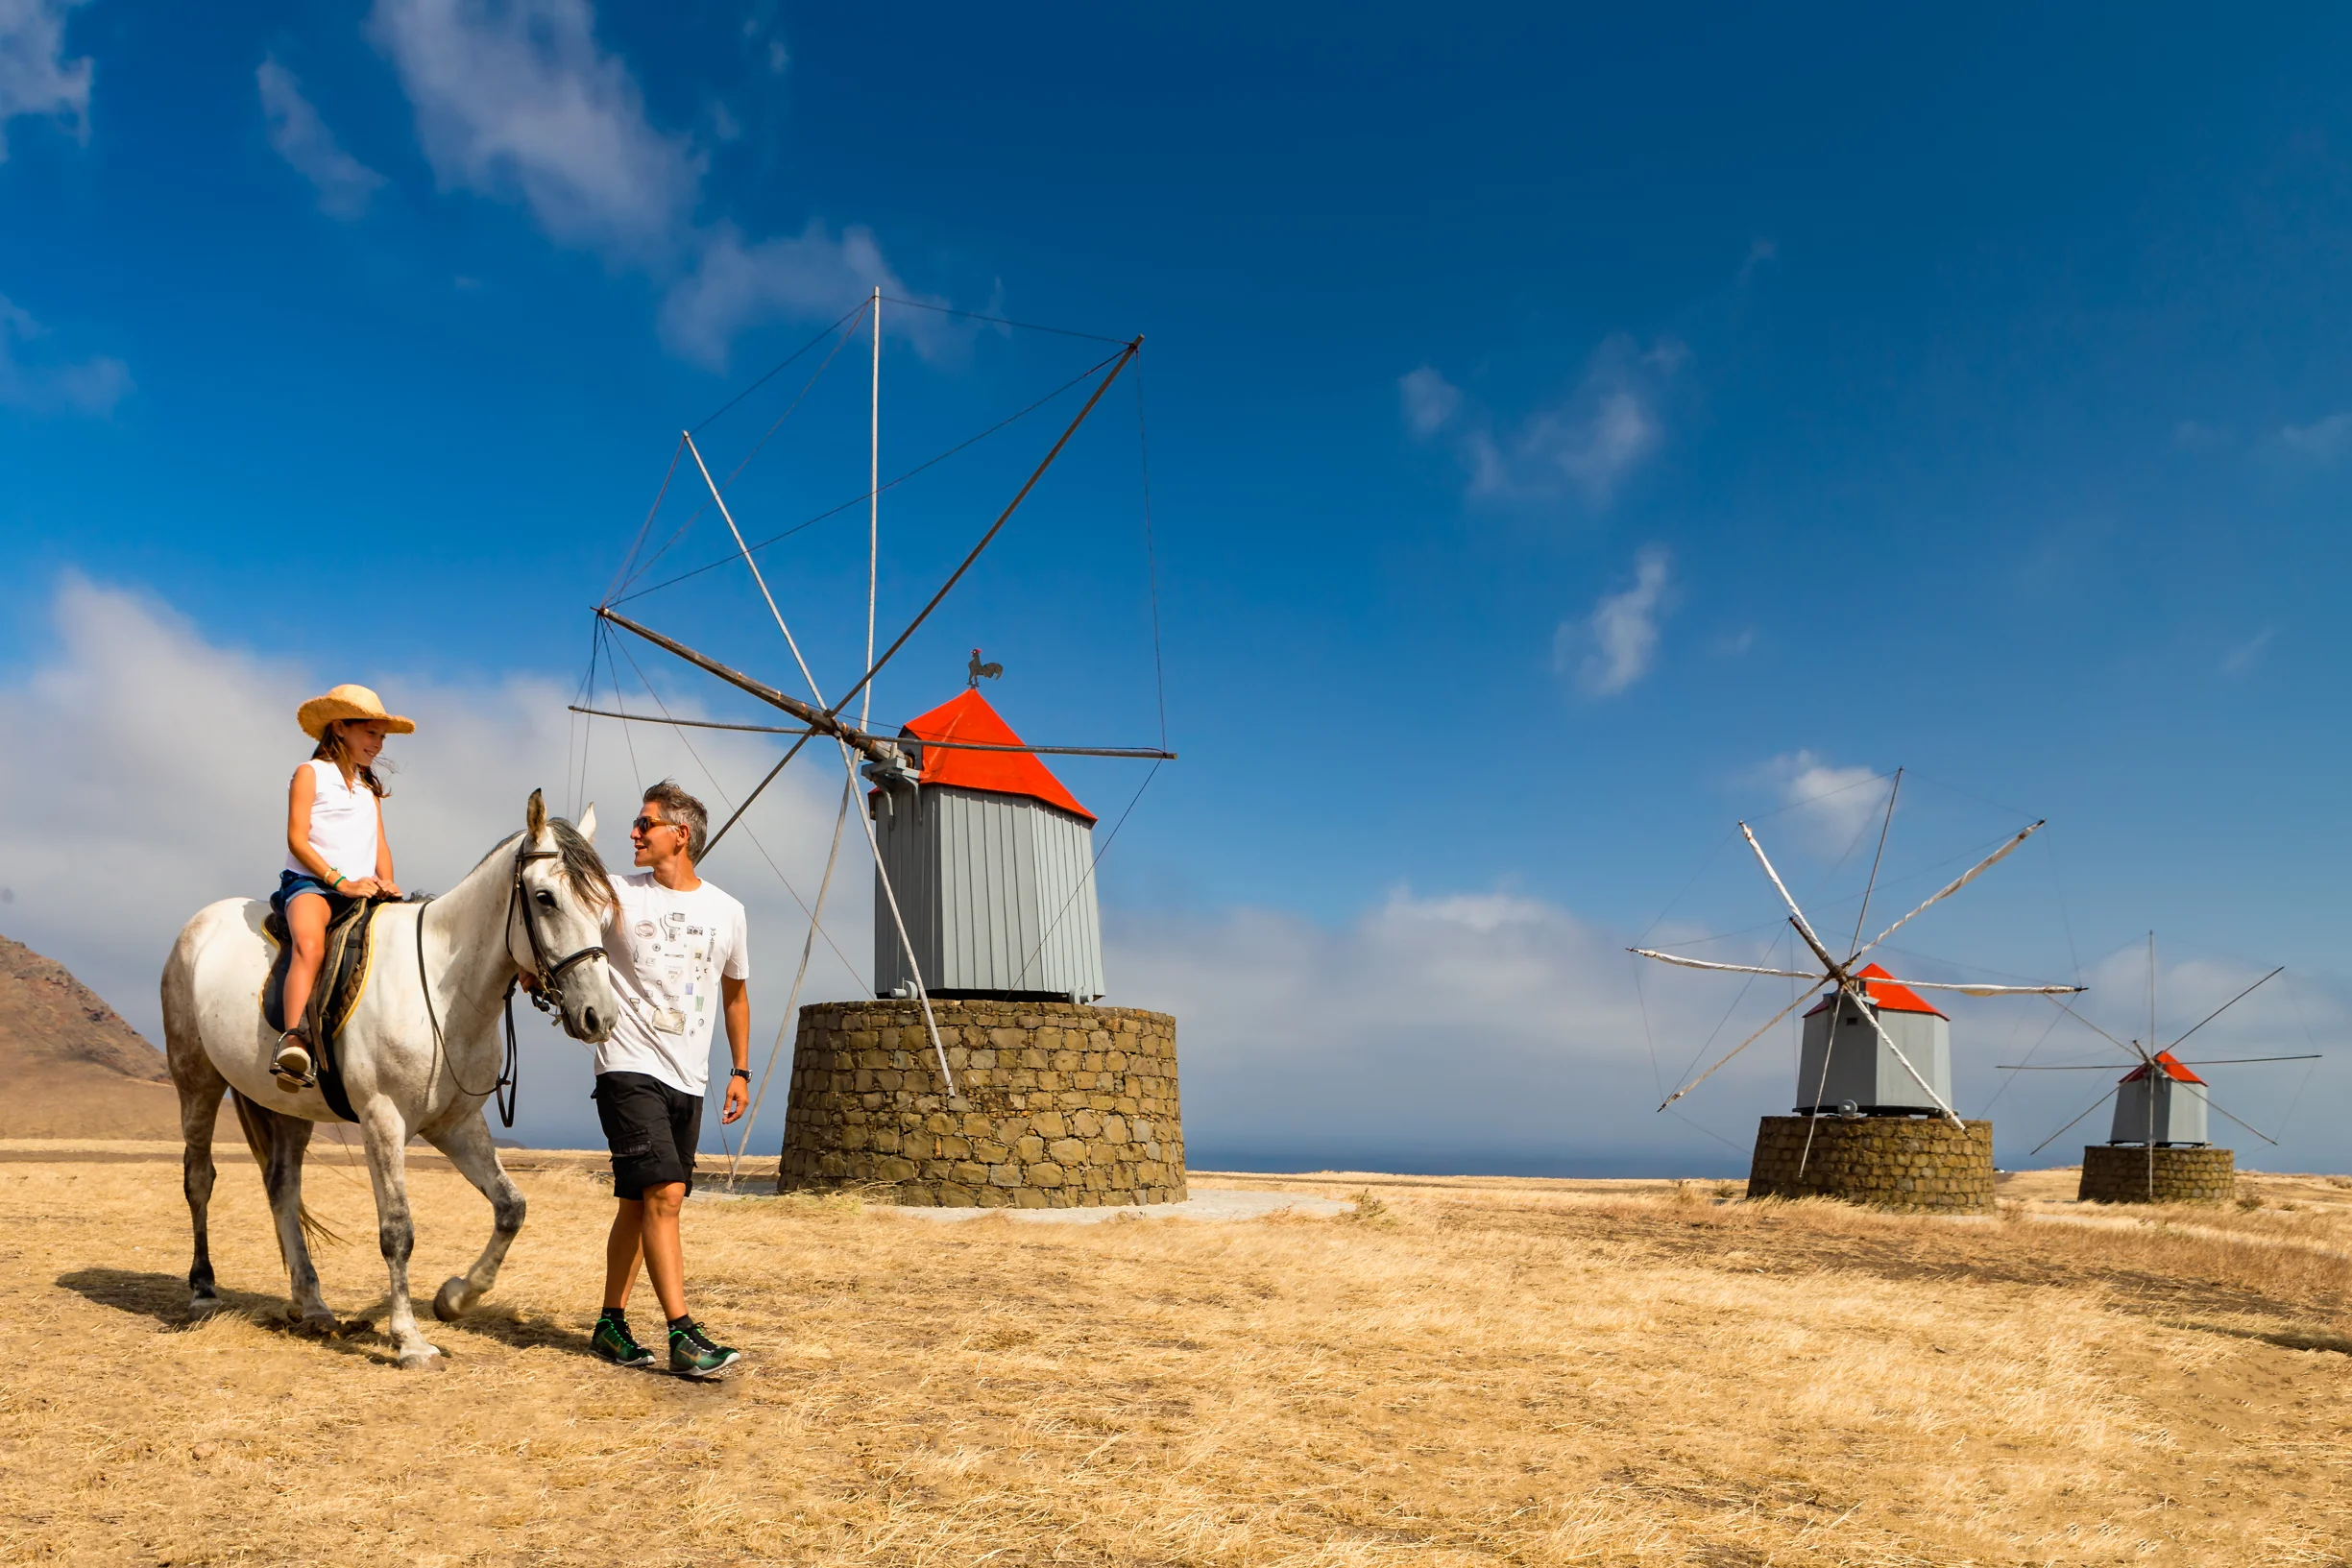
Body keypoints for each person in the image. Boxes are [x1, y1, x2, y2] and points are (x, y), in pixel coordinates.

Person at [586, 780, 751, 1378]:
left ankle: (610, 1324)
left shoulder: (727, 911)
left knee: (639, 1200)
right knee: (666, 1195)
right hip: (627, 1064)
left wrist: (740, 1069)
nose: (634, 832)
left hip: (692, 1075)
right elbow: (556, 930)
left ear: (680, 835)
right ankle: (683, 1334)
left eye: (645, 823)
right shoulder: (611, 894)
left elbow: (736, 995)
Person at [273, 685, 409, 1089]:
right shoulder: (309, 773)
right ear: (339, 729)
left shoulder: (369, 788)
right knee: (310, 946)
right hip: (312, 884)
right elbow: (297, 839)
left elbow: (379, 843)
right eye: (370, 733)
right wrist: (340, 882)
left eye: (381, 737)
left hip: (363, 889)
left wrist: (387, 881)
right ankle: (293, 1039)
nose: (378, 744)